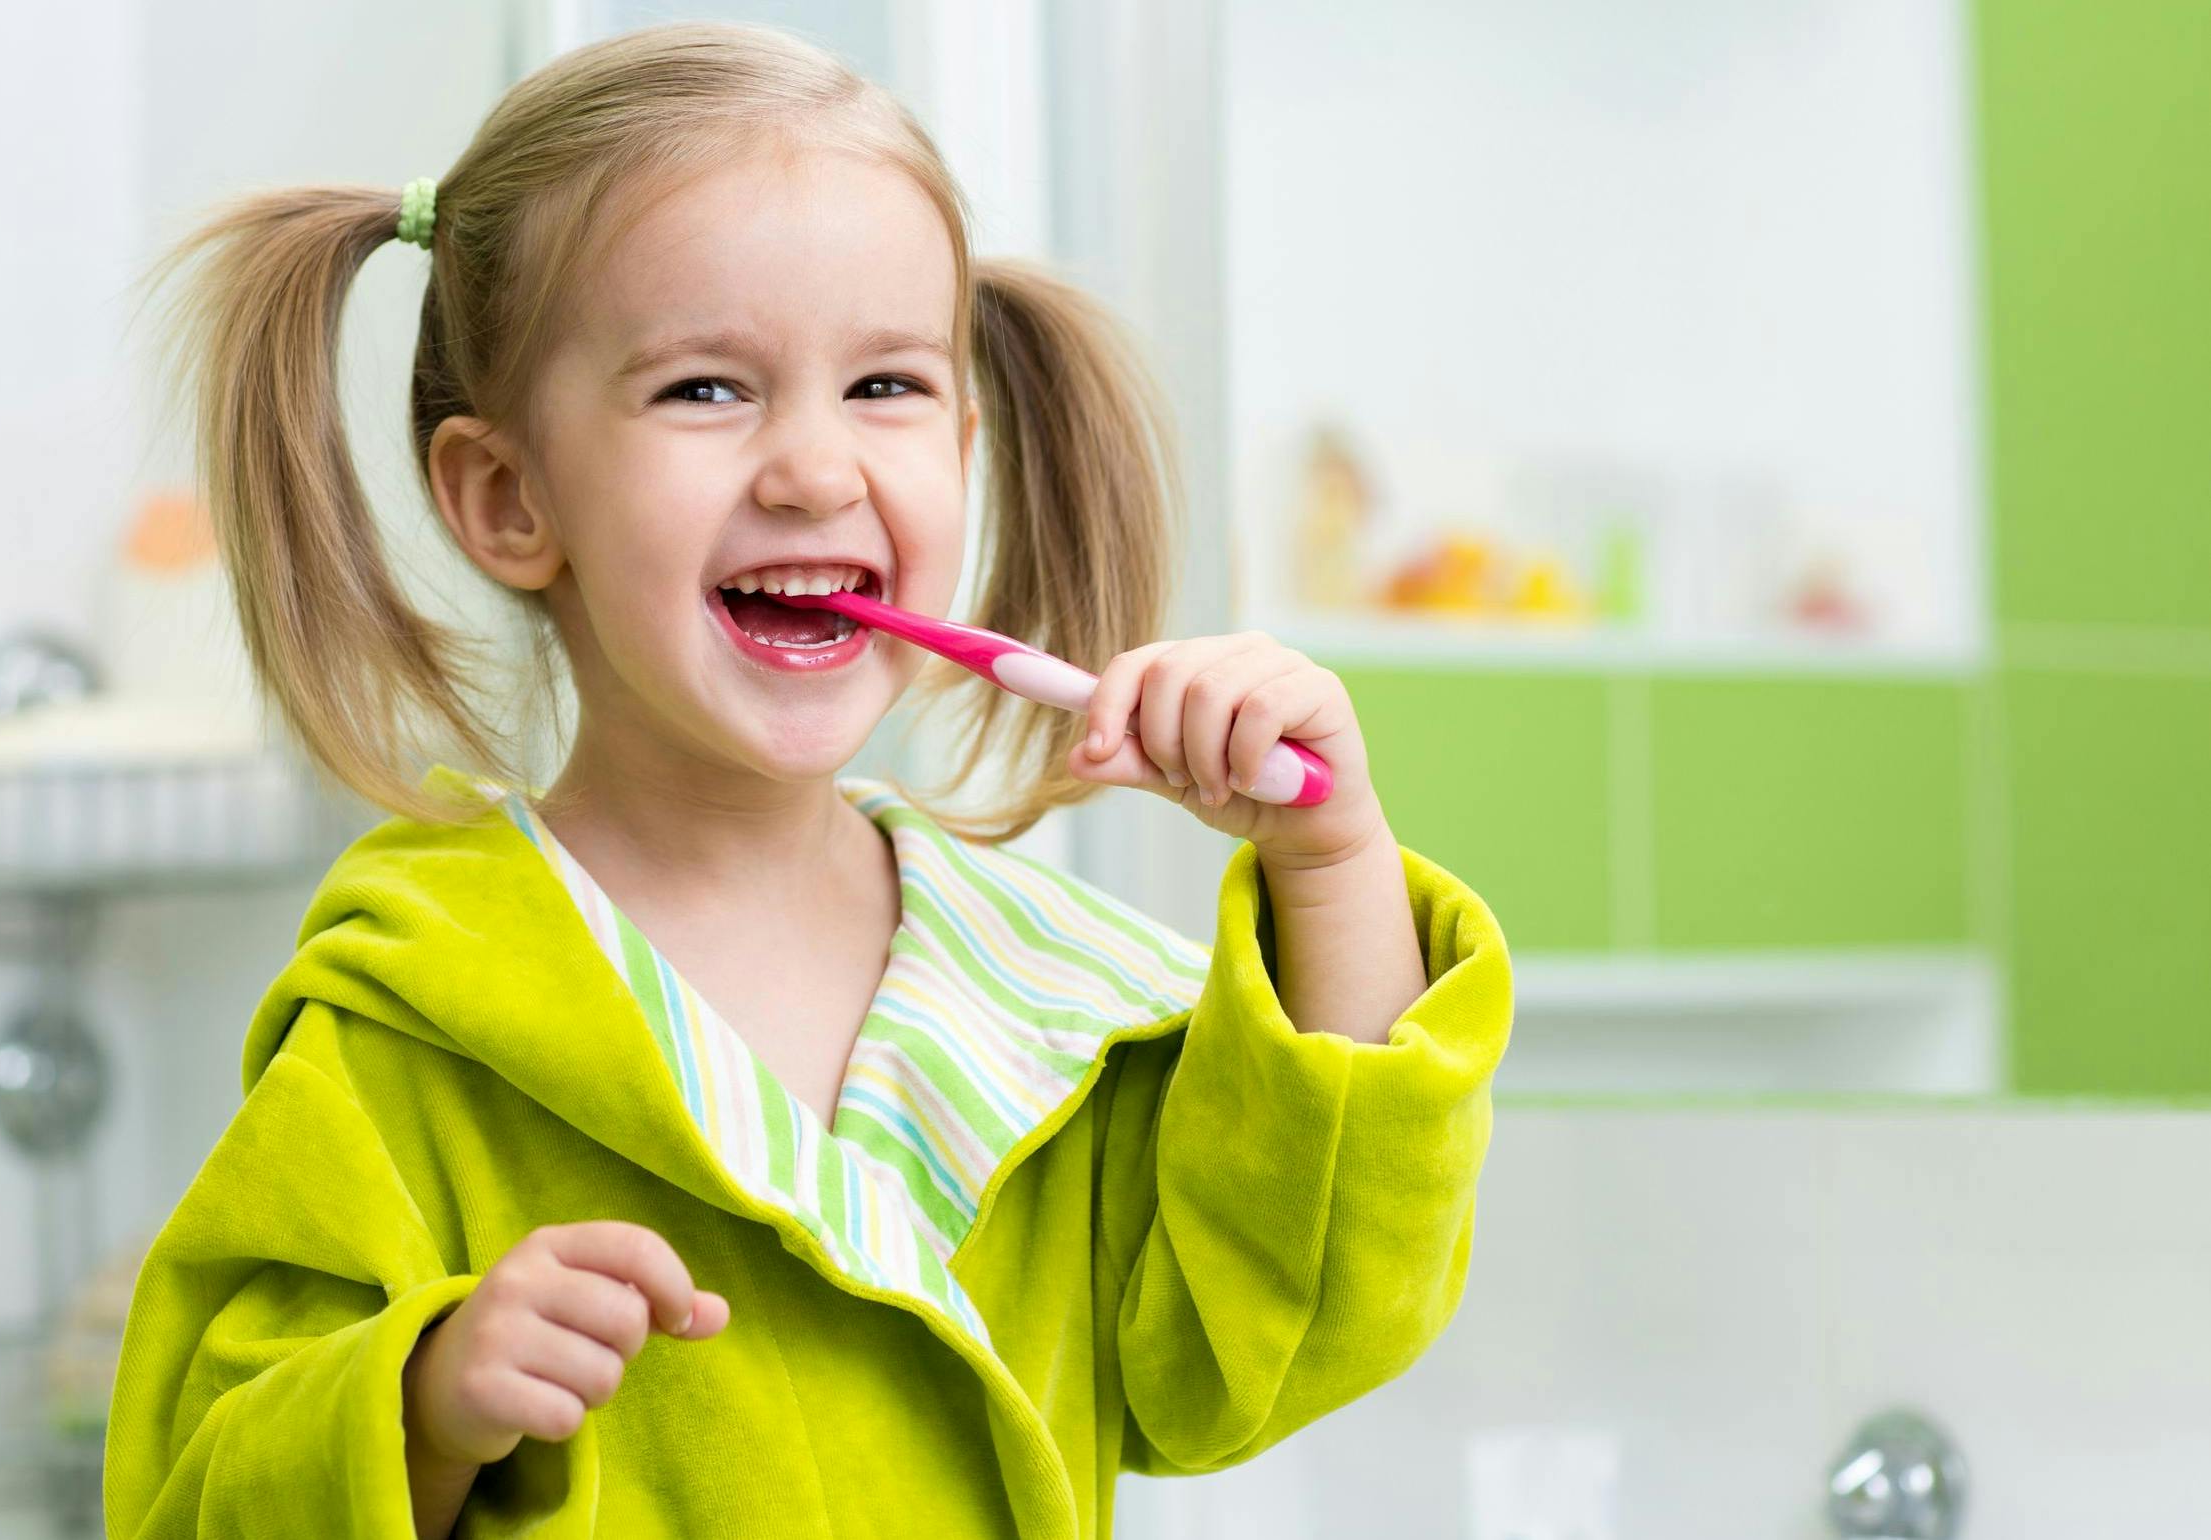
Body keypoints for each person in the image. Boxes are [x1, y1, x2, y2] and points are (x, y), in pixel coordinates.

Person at [104, 22, 1510, 1539]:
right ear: (509, 498)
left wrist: (1329, 866)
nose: (814, 470)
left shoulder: (1044, 1001)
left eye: (886, 387)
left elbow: (1290, 1330)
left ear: (963, 450)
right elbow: (200, 1497)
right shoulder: (410, 1020)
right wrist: (424, 1402)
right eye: (706, 390)